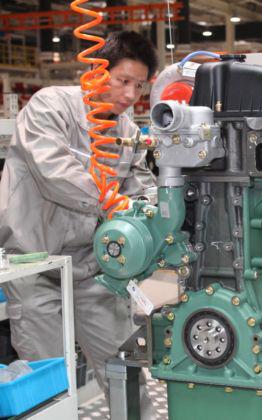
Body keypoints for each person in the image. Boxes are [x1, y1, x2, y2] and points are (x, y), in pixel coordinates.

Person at [0, 31, 157, 408]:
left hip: (94, 268)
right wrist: (114, 202)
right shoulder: (50, 106)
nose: (130, 95)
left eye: (139, 85)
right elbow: (55, 172)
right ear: (98, 71)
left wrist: (154, 211)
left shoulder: (128, 132)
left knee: (124, 373)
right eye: (123, 80)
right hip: (35, 265)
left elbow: (142, 188)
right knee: (48, 385)